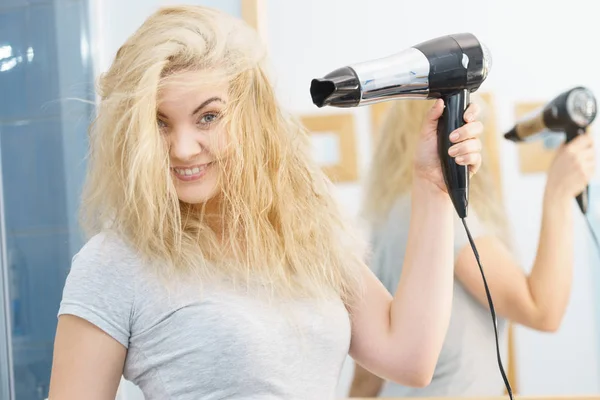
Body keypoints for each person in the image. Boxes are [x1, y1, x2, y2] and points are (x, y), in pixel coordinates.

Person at [48, 6, 486, 400]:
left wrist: (432, 186)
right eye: (159, 123)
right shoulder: (115, 263)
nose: (182, 148)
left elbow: (409, 356)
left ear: (252, 116)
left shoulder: (306, 239)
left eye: (208, 116)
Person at [349, 97, 596, 397]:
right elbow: (542, 310)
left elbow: (367, 377)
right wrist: (558, 193)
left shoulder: (385, 219)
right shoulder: (440, 214)